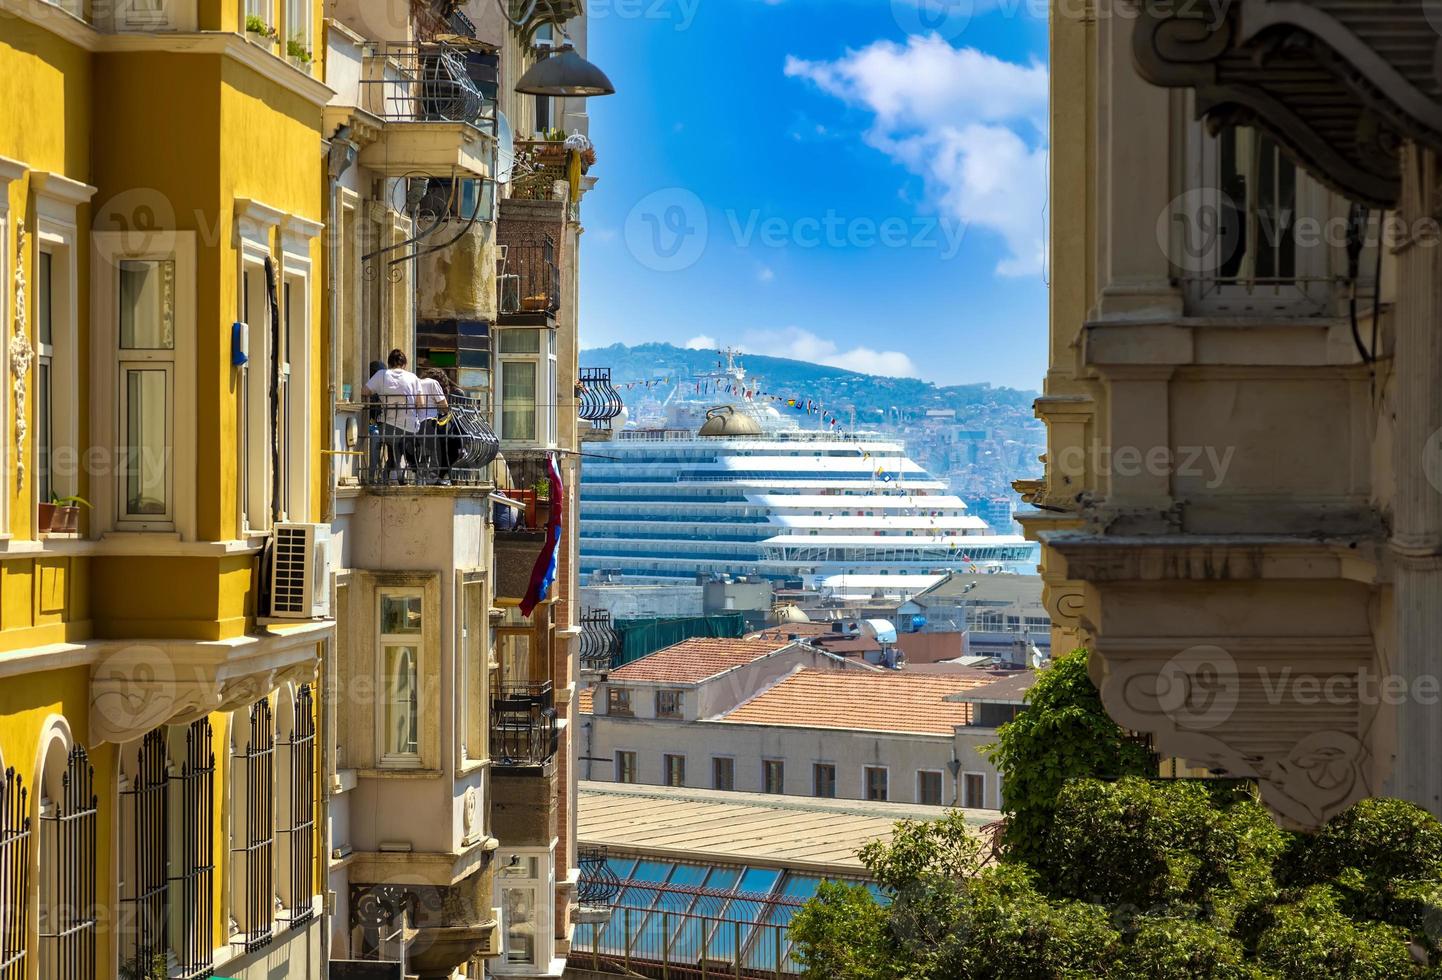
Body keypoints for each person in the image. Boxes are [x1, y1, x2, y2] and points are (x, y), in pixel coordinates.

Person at [364, 349, 421, 483]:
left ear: (389, 364)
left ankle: (383, 474)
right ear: (404, 364)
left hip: (385, 426)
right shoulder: (412, 377)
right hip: (409, 427)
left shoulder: (381, 376)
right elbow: (421, 403)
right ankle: (397, 473)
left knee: (387, 437)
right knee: (399, 440)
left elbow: (364, 391)